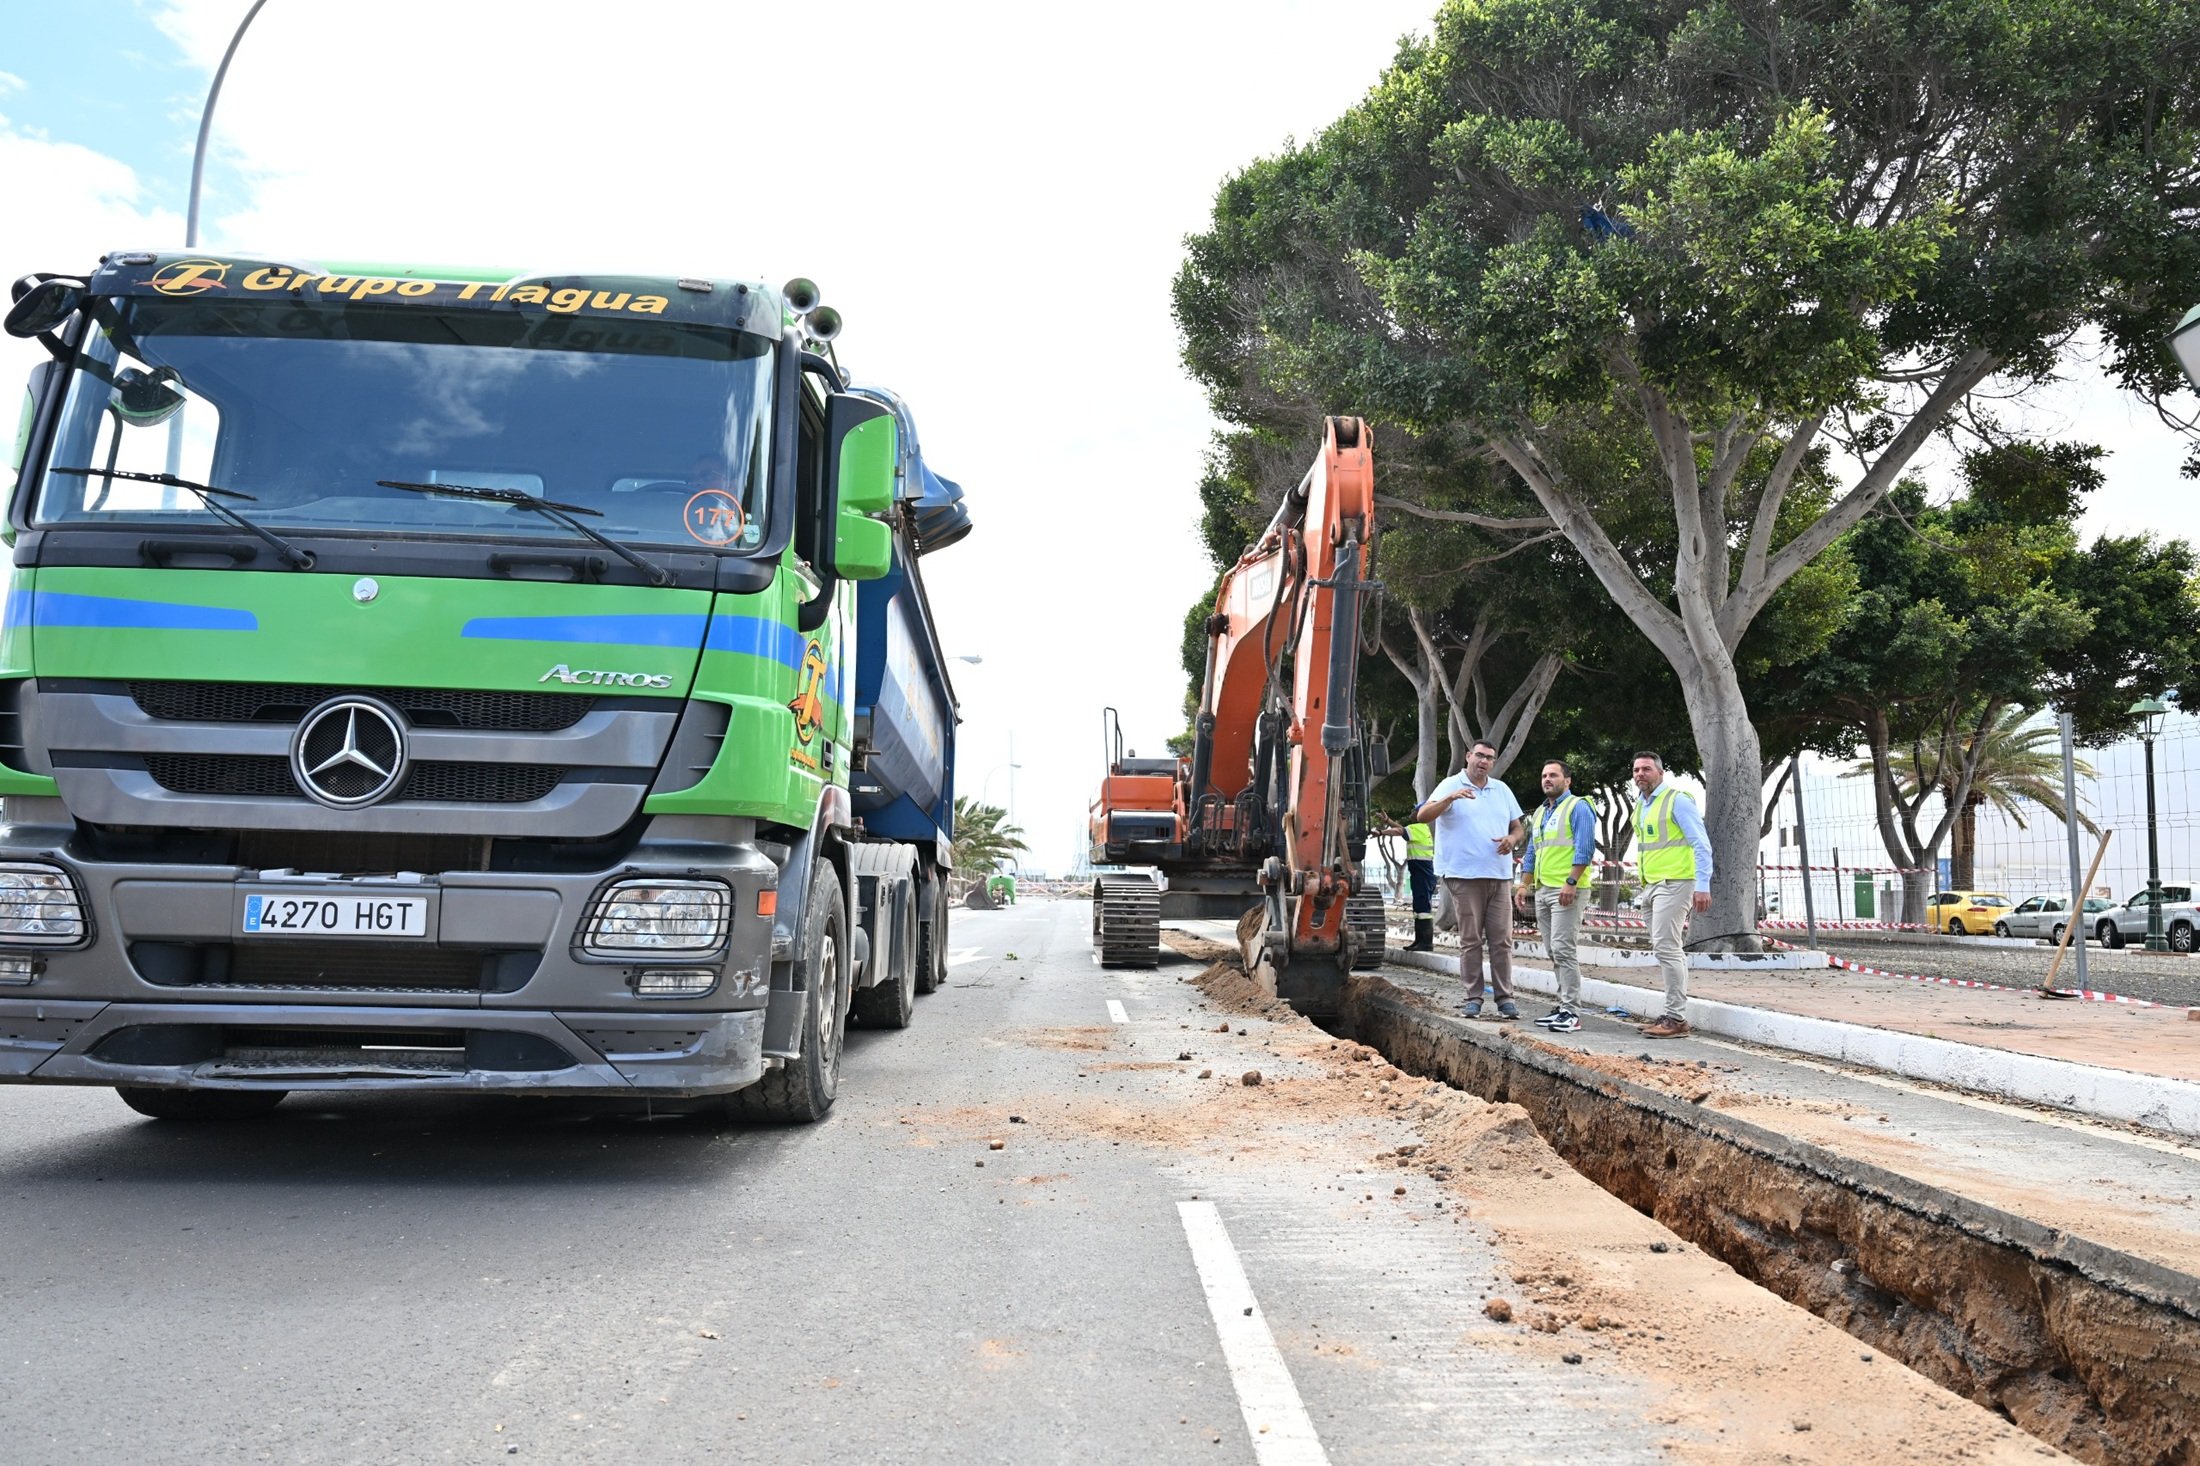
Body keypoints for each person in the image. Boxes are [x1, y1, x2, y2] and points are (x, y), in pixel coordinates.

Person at [1414, 739, 1524, 1019]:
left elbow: (1517, 827)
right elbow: (1423, 815)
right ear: (1468, 756)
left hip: (1499, 876)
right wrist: (1450, 799)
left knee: (1501, 940)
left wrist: (1512, 840)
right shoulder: (1451, 784)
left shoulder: (1501, 789)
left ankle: (1505, 999)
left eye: (1489, 758)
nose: (1484, 761)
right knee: (1471, 940)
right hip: (1463, 875)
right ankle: (1473, 998)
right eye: (1479, 755)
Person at [1632, 751, 1713, 1038]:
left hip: (1676, 882)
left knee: (1668, 948)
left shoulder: (1677, 800)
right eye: (1636, 770)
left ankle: (1676, 1018)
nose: (1640, 774)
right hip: (1651, 885)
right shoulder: (1641, 805)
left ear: (1660, 773)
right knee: (1663, 948)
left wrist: (1702, 885)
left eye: (1646, 769)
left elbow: (1701, 844)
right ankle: (1671, 1014)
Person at [1517, 759, 1597, 1033]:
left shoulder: (1578, 807)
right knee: (1554, 951)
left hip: (1567, 890)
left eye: (1553, 775)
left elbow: (1585, 847)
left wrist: (1571, 881)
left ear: (1567, 780)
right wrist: (1524, 885)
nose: (1547, 779)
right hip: (1543, 890)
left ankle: (1571, 1012)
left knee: (1563, 948)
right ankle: (1563, 1006)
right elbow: (1532, 851)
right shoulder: (1541, 812)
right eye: (1544, 776)